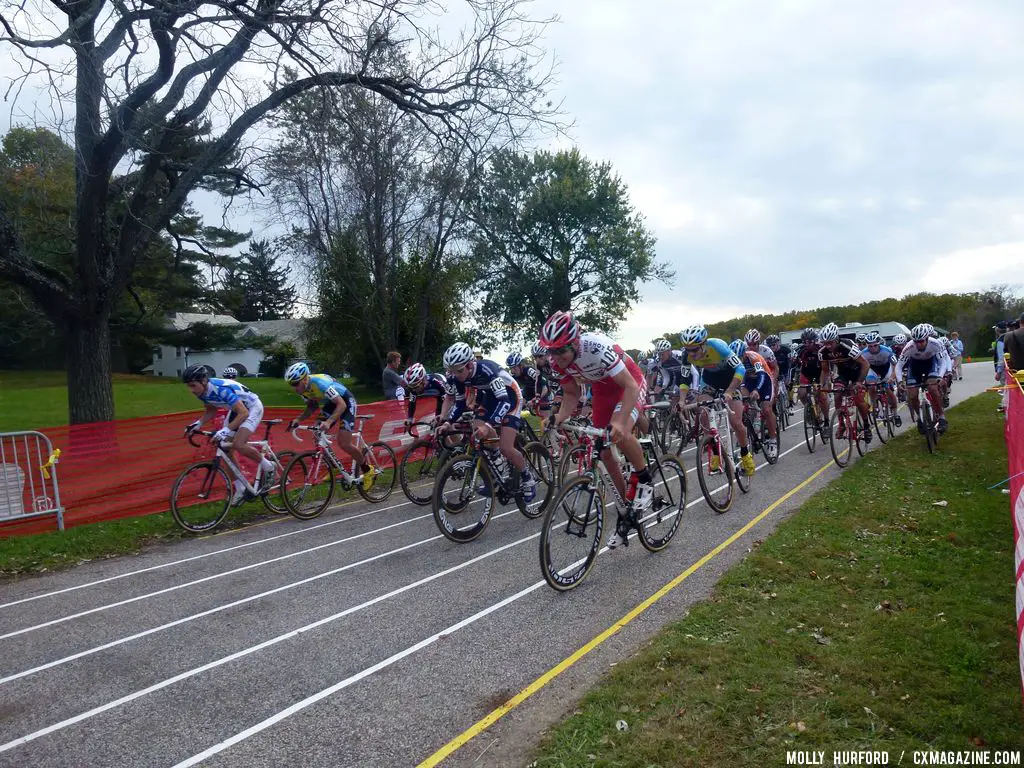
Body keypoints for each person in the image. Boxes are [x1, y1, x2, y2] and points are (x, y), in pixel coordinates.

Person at [539, 310, 650, 548]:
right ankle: (625, 510)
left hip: (630, 383)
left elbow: (629, 386)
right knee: (604, 451)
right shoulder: (556, 364)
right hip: (602, 390)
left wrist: (620, 422)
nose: (556, 357)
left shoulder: (596, 347)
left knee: (619, 434)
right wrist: (558, 417)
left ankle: (645, 478)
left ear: (575, 342)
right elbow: (572, 394)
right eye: (551, 351)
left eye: (561, 351)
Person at [436, 342, 536, 501]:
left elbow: (504, 402)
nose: (456, 375)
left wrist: (488, 425)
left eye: (459, 371)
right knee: (477, 427)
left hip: (510, 397)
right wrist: (447, 422)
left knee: (506, 446)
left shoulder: (487, 370)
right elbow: (460, 403)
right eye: (452, 371)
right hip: (489, 397)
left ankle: (527, 478)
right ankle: (498, 466)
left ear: (470, 364)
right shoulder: (458, 377)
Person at [182, 364, 275, 505]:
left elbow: (244, 413)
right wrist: (198, 424)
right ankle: (241, 488)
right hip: (237, 410)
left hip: (251, 407)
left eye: (193, 385)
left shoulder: (220, 389)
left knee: (239, 444)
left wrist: (225, 430)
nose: (191, 390)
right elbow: (211, 410)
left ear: (203, 381)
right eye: (189, 386)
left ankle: (268, 466)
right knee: (224, 448)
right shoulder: (202, 392)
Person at [678, 324, 755, 477]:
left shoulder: (717, 346)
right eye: (688, 349)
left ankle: (745, 454)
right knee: (704, 414)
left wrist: (730, 391)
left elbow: (740, 369)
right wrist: (681, 400)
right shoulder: (686, 356)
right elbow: (684, 378)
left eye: (694, 349)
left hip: (730, 381)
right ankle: (714, 452)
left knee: (736, 422)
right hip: (710, 382)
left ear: (703, 344)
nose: (691, 354)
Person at [285, 362, 375, 491]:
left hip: (345, 402)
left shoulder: (320, 383)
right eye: (291, 385)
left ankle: (368, 470)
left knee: (344, 442)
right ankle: (333, 467)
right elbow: (312, 406)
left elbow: (342, 405)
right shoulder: (303, 389)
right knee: (316, 431)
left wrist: (329, 421)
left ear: (305, 379)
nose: (294, 388)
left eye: (295, 384)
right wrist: (298, 419)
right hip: (331, 404)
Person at [817, 322, 872, 443]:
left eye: (830, 342)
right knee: (837, 394)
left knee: (858, 399)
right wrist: (822, 385)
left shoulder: (847, 346)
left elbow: (865, 364)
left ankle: (867, 426)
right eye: (825, 343)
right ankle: (841, 424)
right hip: (843, 374)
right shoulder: (822, 352)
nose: (828, 346)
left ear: (836, 339)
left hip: (857, 371)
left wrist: (859, 382)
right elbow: (825, 371)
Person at [895, 323, 950, 433]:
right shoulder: (909, 347)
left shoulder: (935, 343)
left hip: (931, 364)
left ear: (927, 338)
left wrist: (940, 376)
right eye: (916, 342)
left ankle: (941, 416)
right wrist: (900, 381)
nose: (918, 344)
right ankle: (920, 417)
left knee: (933, 388)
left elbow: (942, 361)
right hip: (915, 367)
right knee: (912, 395)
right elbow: (899, 366)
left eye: (921, 341)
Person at [730, 338, 778, 460]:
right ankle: (748, 434)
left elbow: (762, 375)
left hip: (764, 381)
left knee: (766, 409)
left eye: (740, 356)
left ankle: (773, 440)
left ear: (745, 353)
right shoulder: (731, 361)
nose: (738, 360)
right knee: (741, 405)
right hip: (749, 382)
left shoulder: (753, 357)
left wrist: (757, 390)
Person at [400, 362, 448, 427]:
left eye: (416, 387)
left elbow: (446, 401)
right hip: (437, 394)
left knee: (446, 424)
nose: (414, 390)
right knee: (438, 427)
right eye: (411, 387)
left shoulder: (436, 382)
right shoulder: (414, 388)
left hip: (443, 392)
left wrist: (442, 415)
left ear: (423, 381)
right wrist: (409, 419)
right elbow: (412, 403)